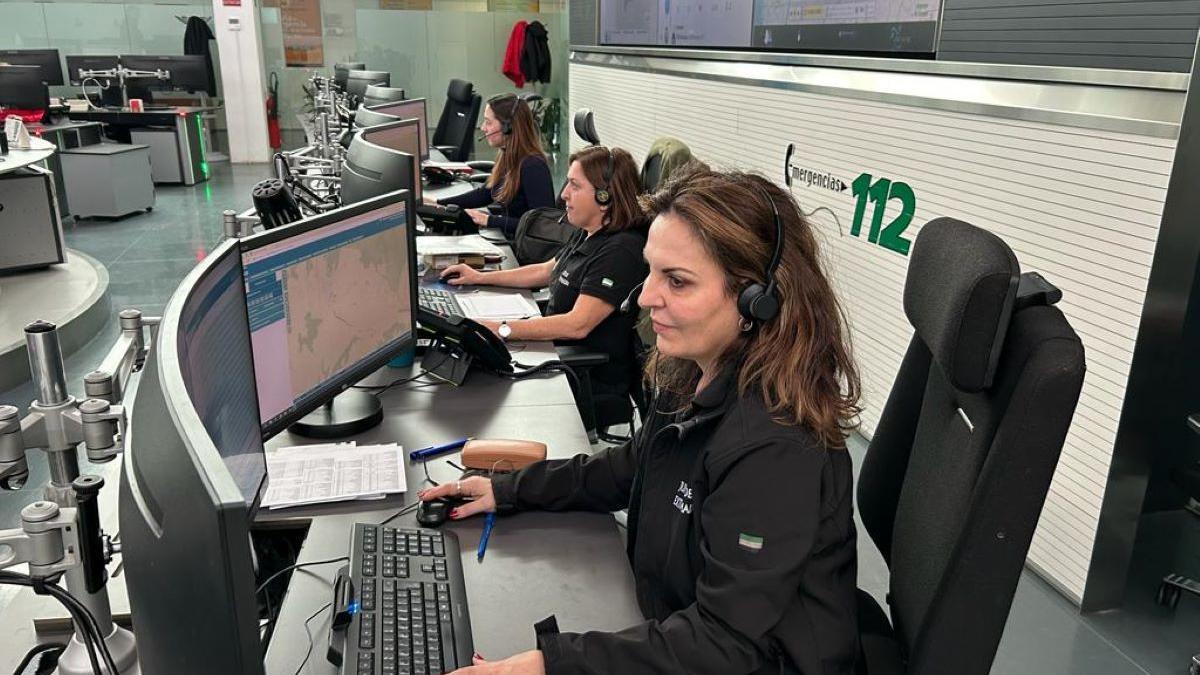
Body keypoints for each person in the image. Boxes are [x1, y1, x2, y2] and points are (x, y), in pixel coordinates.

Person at [421, 168, 863, 675]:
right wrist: (508, 490)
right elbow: (631, 468)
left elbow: (725, 644)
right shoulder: (694, 372)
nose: (645, 296)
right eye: (651, 271)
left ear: (756, 299)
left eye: (676, 281)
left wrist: (547, 665)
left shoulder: (774, 446)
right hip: (677, 625)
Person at [438, 145, 647, 402]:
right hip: (553, 352)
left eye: (575, 186)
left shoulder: (620, 251)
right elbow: (546, 270)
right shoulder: (589, 230)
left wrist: (500, 329)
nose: (564, 195)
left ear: (605, 198)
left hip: (584, 375)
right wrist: (479, 277)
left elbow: (577, 325)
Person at [427, 93, 555, 237]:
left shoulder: (532, 166)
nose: (482, 127)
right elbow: (486, 193)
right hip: (512, 238)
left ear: (508, 127)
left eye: (488, 122)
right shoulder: (510, 156)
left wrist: (489, 220)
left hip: (523, 250)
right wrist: (439, 204)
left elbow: (543, 225)